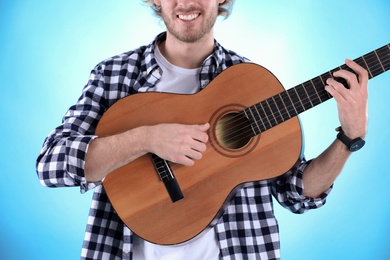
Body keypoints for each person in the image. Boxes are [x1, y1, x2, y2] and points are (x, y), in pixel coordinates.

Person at [36, 0, 368, 259]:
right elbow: (50, 165)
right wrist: (146, 138)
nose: (187, 3)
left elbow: (297, 193)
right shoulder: (114, 75)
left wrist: (349, 137)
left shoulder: (251, 84)